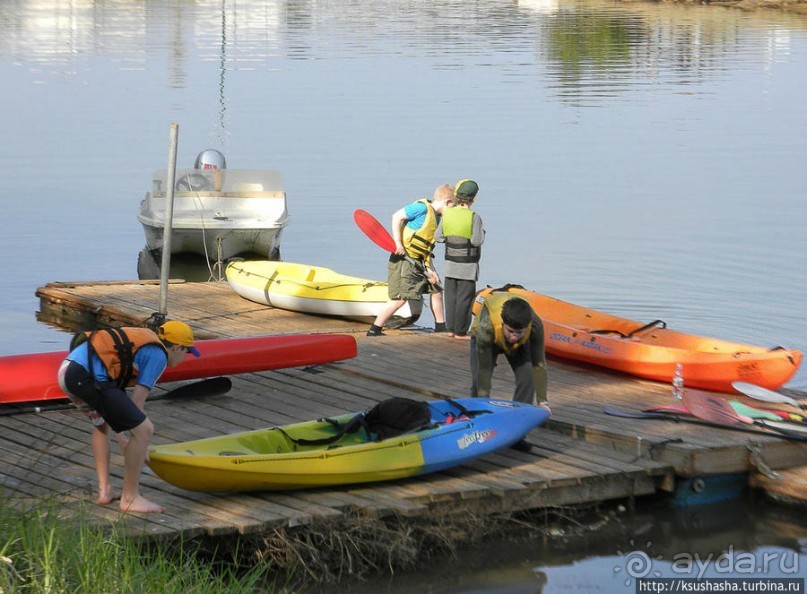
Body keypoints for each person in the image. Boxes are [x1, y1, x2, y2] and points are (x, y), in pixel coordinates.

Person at [57, 321, 201, 513]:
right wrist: (136, 441)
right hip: (86, 376)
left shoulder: (144, 343)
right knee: (144, 430)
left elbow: (119, 412)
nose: (185, 357)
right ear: (176, 347)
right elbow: (137, 405)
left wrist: (123, 438)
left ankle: (105, 490)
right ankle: (130, 498)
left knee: (102, 425)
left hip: (68, 371)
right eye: (187, 352)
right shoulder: (159, 356)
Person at [367, 184, 456, 336]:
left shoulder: (437, 217)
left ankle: (440, 327)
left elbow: (426, 249)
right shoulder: (421, 208)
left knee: (436, 290)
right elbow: (397, 216)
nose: (452, 212)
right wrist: (398, 243)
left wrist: (431, 270)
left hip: (420, 261)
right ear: (447, 202)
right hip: (404, 259)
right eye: (453, 207)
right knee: (400, 298)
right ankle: (375, 329)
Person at [470, 292, 548, 406]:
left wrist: (542, 400)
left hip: (519, 345)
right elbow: (484, 369)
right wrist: (483, 403)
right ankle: (476, 409)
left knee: (527, 378)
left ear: (527, 326)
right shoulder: (486, 328)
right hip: (488, 339)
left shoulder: (535, 325)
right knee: (478, 381)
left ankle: (520, 411)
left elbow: (539, 363)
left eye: (519, 332)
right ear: (502, 322)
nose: (514, 336)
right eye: (510, 331)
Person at [434, 179, 485, 340]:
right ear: (474, 199)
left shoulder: (448, 214)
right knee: (465, 299)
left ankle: (450, 329)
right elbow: (477, 241)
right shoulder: (474, 217)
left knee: (451, 297)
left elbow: (438, 237)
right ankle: (461, 332)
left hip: (450, 265)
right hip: (467, 267)